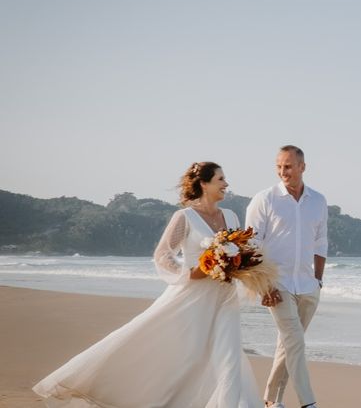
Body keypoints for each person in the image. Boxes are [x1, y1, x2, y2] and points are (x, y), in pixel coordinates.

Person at [33, 162, 263, 408]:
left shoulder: (231, 216)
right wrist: (190, 273)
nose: (226, 184)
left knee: (229, 357)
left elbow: (242, 253)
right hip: (194, 298)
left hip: (226, 297)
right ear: (204, 184)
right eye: (220, 179)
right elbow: (162, 255)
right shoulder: (184, 217)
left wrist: (239, 266)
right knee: (186, 357)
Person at [246, 145, 328, 408]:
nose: (283, 171)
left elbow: (320, 243)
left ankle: (271, 400)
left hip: (308, 286)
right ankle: (308, 403)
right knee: (296, 343)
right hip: (277, 284)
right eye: (279, 166)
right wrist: (263, 286)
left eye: (289, 166)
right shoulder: (265, 199)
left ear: (303, 167)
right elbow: (252, 245)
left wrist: (318, 281)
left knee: (289, 344)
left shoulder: (318, 201)